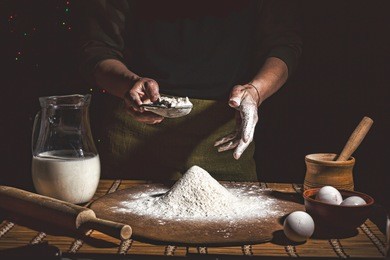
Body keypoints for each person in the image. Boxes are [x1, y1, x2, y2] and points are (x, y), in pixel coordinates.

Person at [79, 0, 302, 181]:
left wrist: (255, 92)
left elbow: (284, 44)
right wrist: (129, 84)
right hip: (135, 130)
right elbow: (99, 49)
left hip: (222, 136)